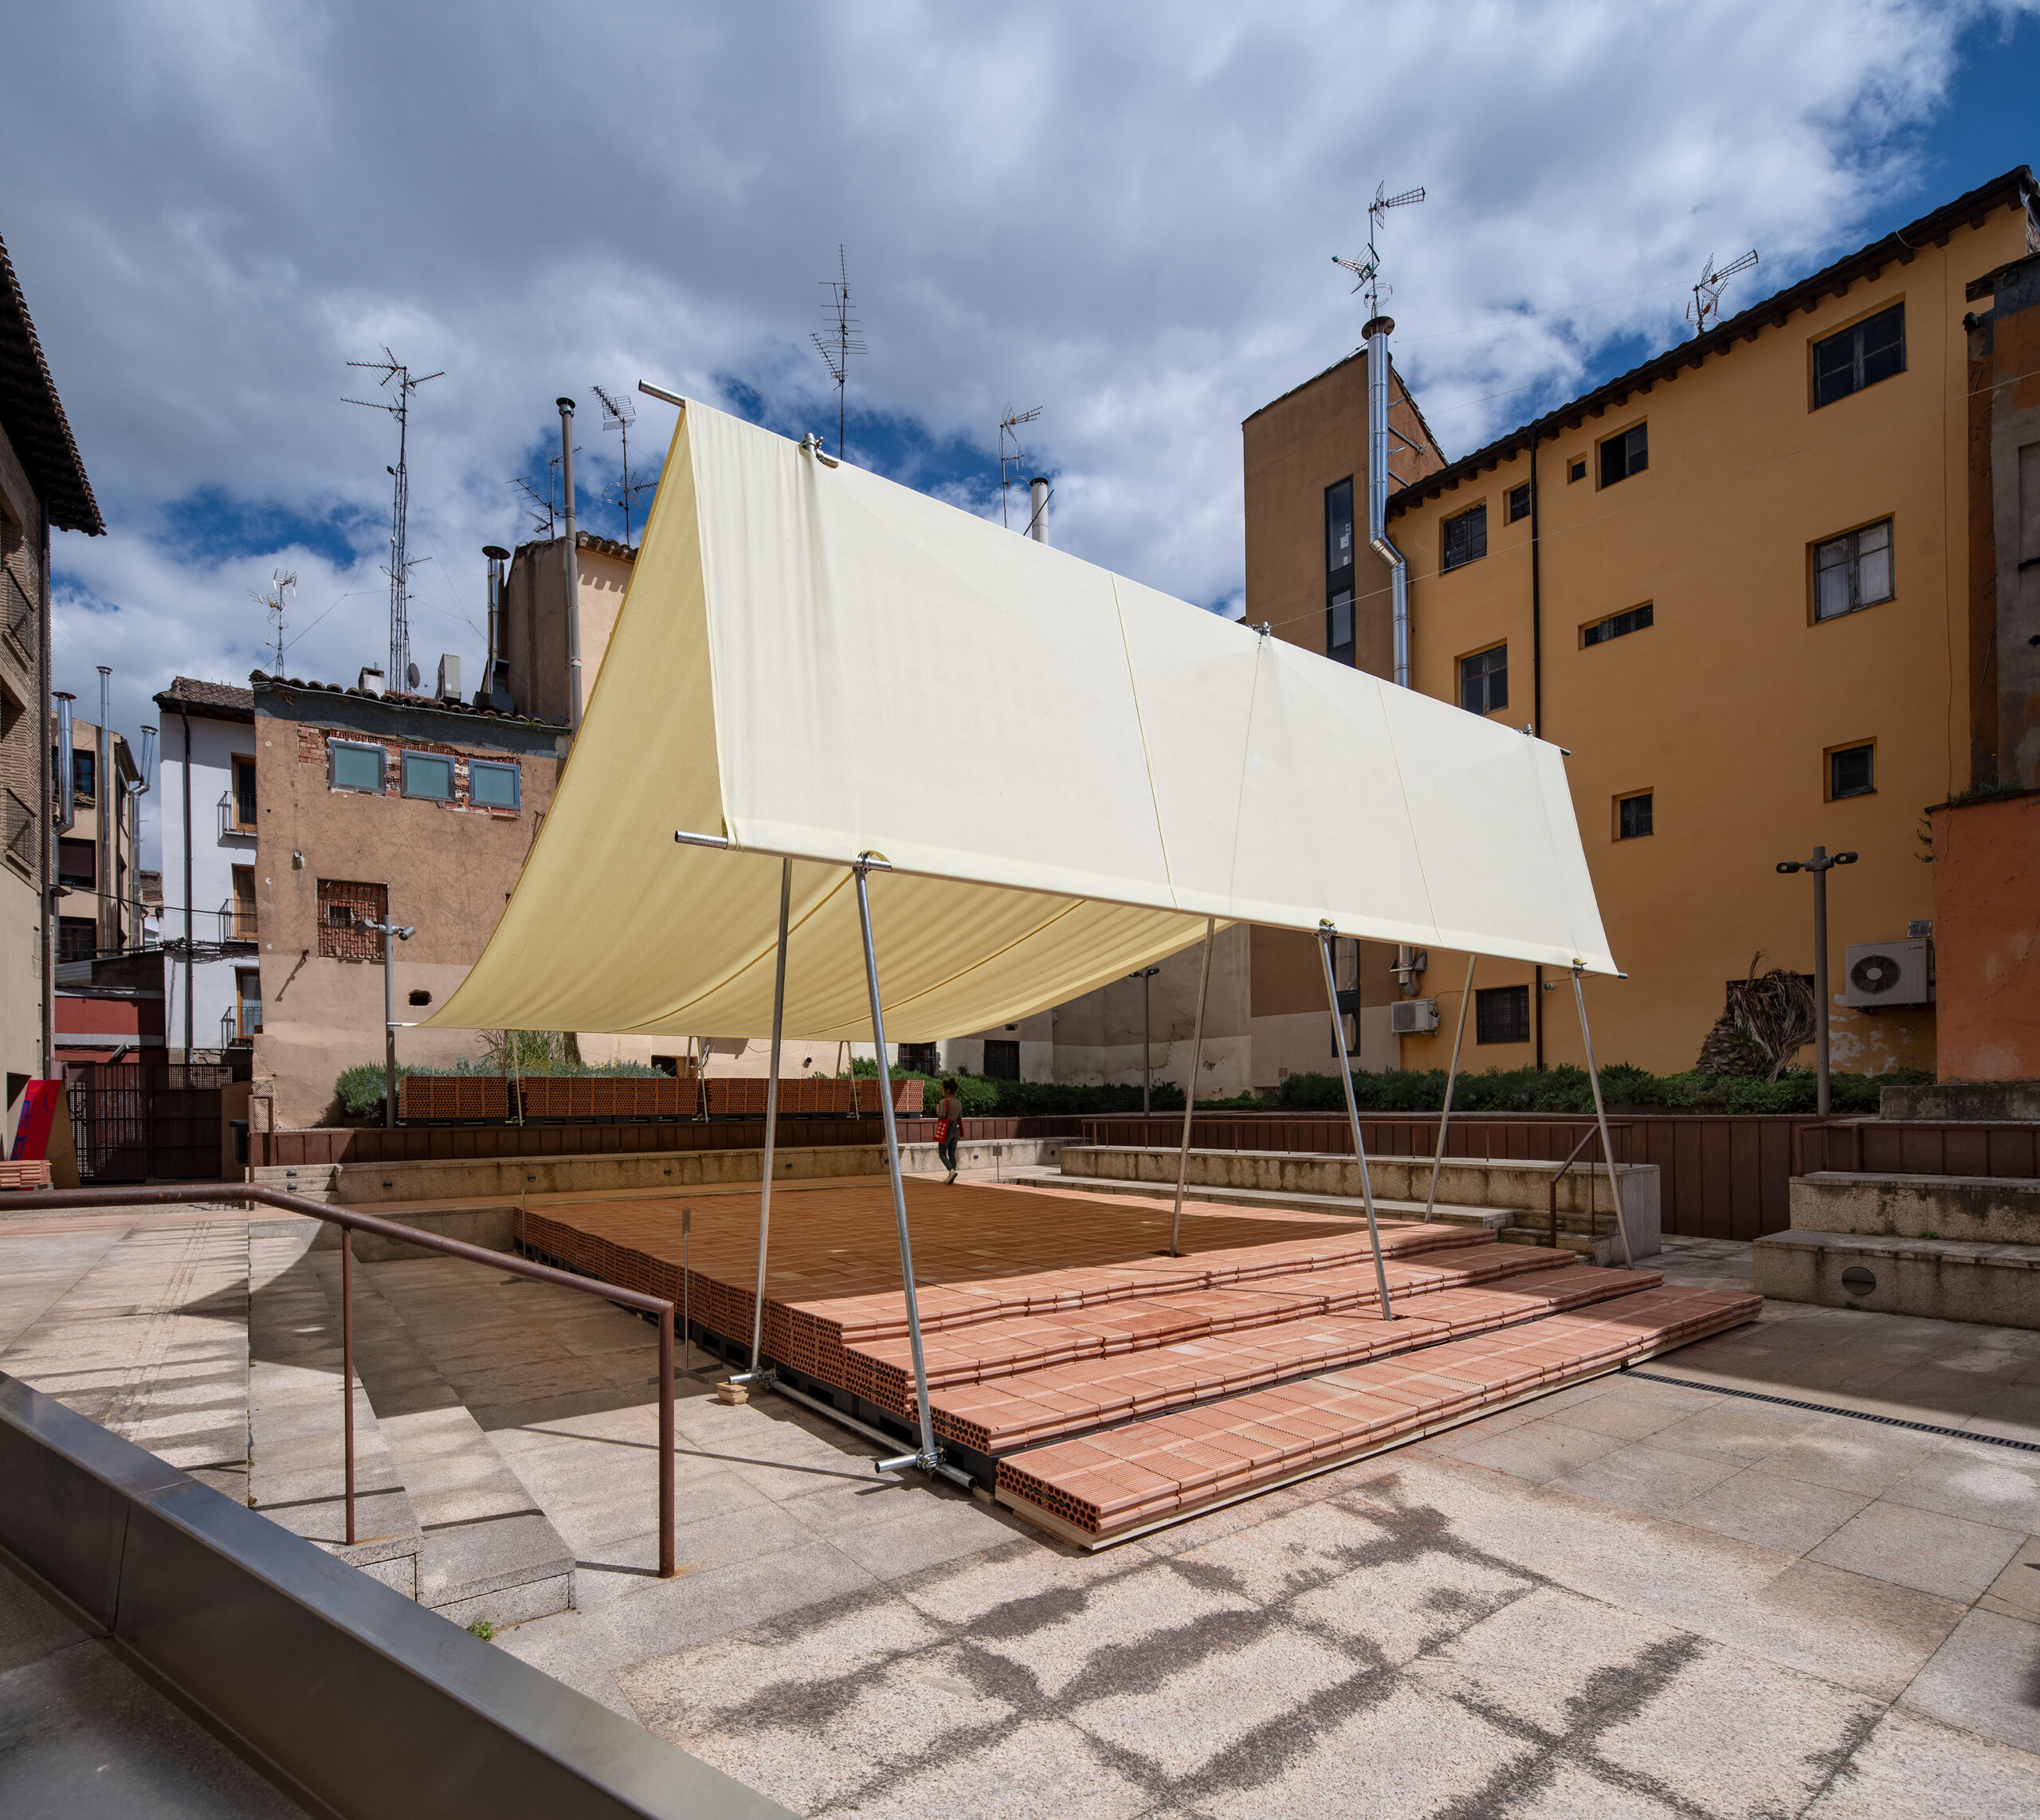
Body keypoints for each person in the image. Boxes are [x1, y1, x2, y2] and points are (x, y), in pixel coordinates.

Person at [936, 1077, 963, 1183]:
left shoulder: (945, 1101)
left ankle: (951, 1171)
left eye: (942, 1088)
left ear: (947, 1090)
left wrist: (937, 1109)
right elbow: (959, 1117)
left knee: (942, 1153)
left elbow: (942, 1116)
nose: (941, 1090)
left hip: (947, 1128)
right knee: (952, 1153)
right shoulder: (959, 1102)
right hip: (956, 1128)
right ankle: (951, 1177)